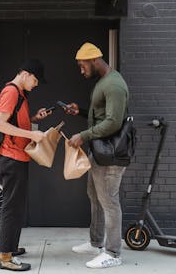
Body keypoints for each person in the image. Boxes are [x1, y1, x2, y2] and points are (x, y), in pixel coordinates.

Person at [67, 42, 129, 269]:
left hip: (110, 154)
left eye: (82, 65)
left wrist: (83, 135)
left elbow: (113, 122)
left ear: (94, 60)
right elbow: (103, 115)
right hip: (99, 152)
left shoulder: (113, 85)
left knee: (109, 202)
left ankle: (113, 252)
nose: (81, 70)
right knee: (94, 196)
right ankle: (96, 243)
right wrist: (81, 111)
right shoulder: (103, 82)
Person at [0, 59, 51, 272]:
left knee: (15, 207)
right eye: (35, 80)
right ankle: (5, 258)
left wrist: (34, 118)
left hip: (18, 157)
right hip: (12, 158)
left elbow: (16, 123)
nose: (36, 84)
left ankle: (7, 248)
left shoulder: (20, 94)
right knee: (12, 208)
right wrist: (31, 134)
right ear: (25, 74)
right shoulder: (11, 92)